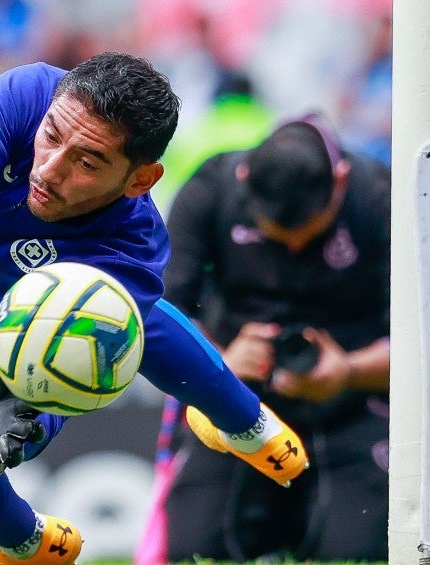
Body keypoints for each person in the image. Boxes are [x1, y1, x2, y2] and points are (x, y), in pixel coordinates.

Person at [0, 51, 309, 564]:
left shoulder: (130, 254)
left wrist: (25, 409)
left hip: (11, 322)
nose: (49, 167)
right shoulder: (27, 95)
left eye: (86, 162)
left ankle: (244, 424)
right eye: (52, 135)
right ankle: (31, 543)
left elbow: (68, 367)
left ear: (140, 181)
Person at [158, 115, 389, 562]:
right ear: (244, 178)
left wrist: (349, 371)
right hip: (232, 396)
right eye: (277, 238)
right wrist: (218, 362)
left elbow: (421, 341)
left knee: (356, 552)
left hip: (354, 401)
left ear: (341, 182)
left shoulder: (382, 200)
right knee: (192, 549)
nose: (294, 250)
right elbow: (159, 314)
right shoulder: (211, 189)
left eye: (309, 235)